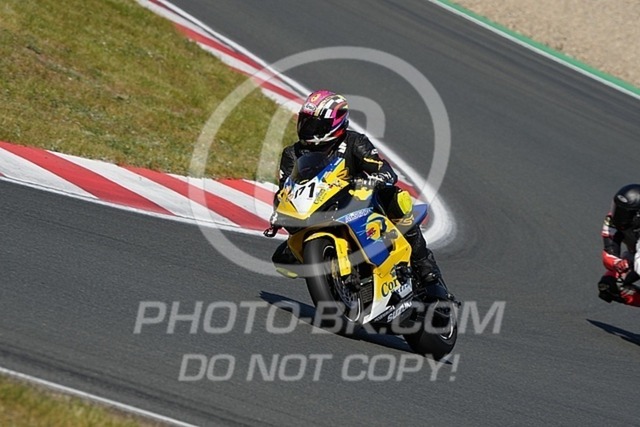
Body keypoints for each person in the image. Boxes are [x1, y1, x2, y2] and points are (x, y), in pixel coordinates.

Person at [266, 90, 451, 301]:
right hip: (316, 211)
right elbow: (286, 188)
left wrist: (376, 178)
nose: (308, 129)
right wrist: (279, 211)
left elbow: (382, 169)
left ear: (334, 123)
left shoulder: (354, 142)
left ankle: (425, 267)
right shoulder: (292, 153)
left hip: (358, 203)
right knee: (283, 259)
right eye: (306, 122)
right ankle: (335, 277)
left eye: (316, 125)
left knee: (397, 198)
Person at [597, 184, 640, 306]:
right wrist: (618, 263)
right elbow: (608, 253)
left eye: (625, 213)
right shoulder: (612, 220)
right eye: (617, 209)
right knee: (609, 285)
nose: (618, 216)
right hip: (634, 256)